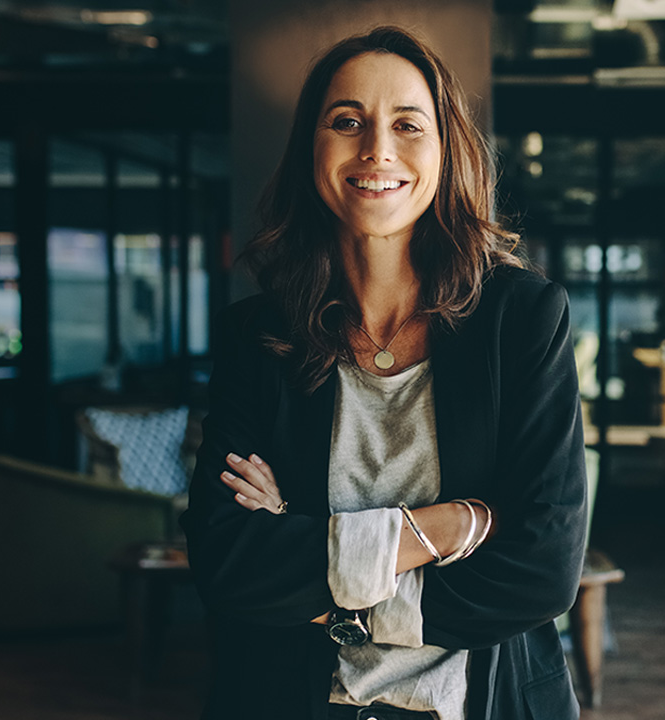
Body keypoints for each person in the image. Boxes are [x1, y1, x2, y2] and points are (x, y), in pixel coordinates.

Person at [181, 26, 587, 720]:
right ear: (313, 146)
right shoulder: (257, 335)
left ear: (444, 148)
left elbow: (541, 570)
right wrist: (448, 527)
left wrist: (309, 551)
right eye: (347, 122)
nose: (376, 149)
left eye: (407, 123)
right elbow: (228, 562)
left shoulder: (521, 319)